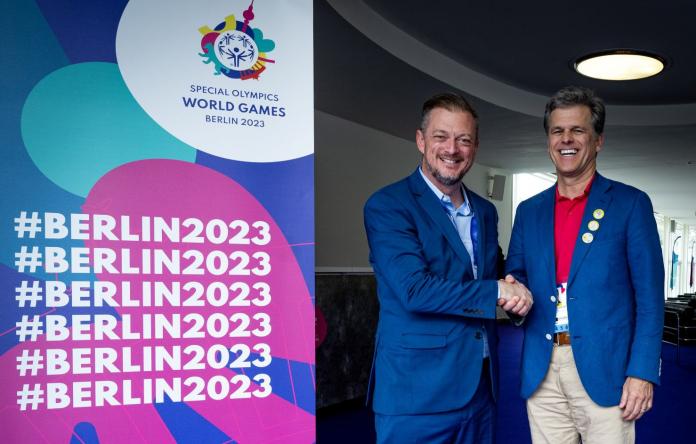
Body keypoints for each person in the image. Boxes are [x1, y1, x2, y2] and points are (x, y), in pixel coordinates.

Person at [364, 93, 533, 444]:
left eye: (464, 139)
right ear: (421, 140)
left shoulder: (485, 211)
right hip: (417, 395)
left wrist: (519, 293)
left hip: (481, 389)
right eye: (441, 137)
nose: (452, 149)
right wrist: (499, 291)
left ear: (475, 147)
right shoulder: (388, 205)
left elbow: (495, 274)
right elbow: (415, 289)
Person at [506, 86, 664, 443]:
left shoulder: (630, 204)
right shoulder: (528, 211)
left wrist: (642, 372)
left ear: (598, 141)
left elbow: (651, 302)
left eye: (578, 130)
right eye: (557, 130)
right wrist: (512, 300)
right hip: (542, 371)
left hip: (607, 370)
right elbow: (517, 280)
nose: (567, 139)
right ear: (548, 139)